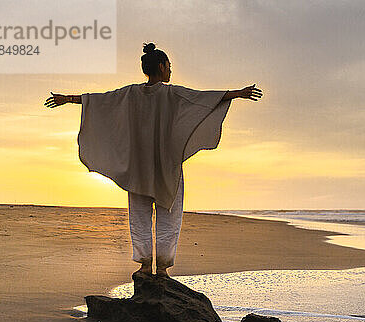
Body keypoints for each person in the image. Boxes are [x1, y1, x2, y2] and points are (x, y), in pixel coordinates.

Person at [44, 42, 262, 278]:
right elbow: (203, 100)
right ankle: (163, 269)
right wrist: (237, 94)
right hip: (167, 166)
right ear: (161, 66)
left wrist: (68, 98)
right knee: (170, 215)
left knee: (139, 217)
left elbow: (100, 101)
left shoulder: (130, 94)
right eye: (169, 66)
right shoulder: (173, 93)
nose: (170, 70)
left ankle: (146, 265)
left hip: (137, 166)